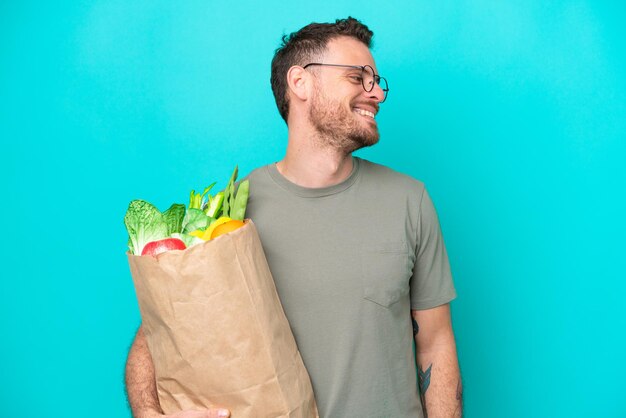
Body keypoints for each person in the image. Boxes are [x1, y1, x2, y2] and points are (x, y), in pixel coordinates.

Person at [126, 17, 462, 418]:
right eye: (359, 77)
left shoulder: (410, 200)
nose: (376, 94)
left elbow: (436, 344)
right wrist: (150, 414)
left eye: (376, 81)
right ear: (300, 82)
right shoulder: (230, 213)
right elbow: (156, 337)